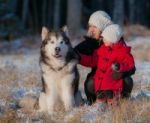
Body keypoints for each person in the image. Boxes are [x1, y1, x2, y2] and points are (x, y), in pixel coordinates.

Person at [74, 10, 136, 105]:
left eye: (94, 26)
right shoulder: (91, 42)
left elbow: (131, 66)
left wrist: (121, 72)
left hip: (115, 80)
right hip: (99, 81)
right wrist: (76, 56)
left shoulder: (117, 42)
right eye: (89, 26)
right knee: (90, 83)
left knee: (127, 80)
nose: (90, 30)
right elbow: (75, 53)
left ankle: (122, 101)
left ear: (103, 28)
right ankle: (93, 102)